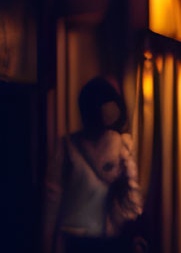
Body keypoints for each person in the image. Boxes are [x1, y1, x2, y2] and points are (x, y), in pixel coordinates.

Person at [41, 77, 143, 253]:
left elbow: (133, 200)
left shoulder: (122, 146)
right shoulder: (67, 148)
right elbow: (51, 203)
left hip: (106, 240)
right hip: (78, 240)